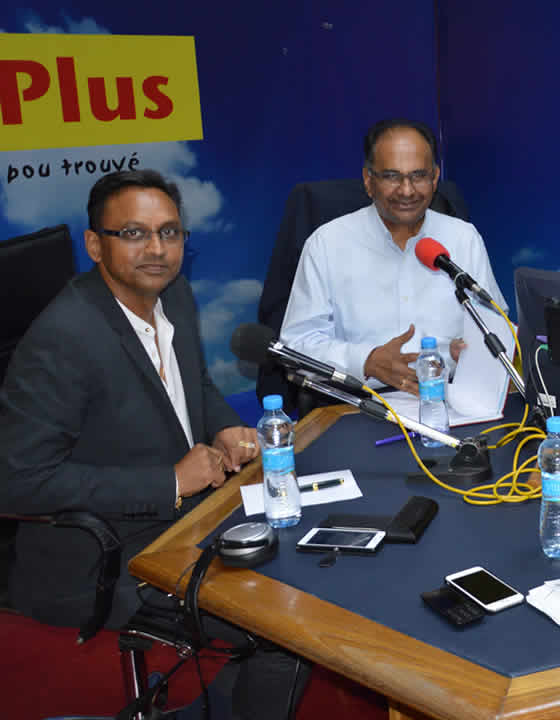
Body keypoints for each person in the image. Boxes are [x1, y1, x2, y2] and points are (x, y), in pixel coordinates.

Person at [0, 170, 305, 718]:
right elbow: (17, 482)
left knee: (309, 568)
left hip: (189, 519)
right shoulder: (63, 340)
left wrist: (221, 430)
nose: (157, 249)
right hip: (108, 555)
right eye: (135, 234)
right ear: (95, 244)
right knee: (288, 624)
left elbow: (199, 386)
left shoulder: (175, 296)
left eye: (170, 233)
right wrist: (170, 482)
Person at [281, 118, 507, 392]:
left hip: (451, 396)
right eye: (391, 176)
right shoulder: (327, 244)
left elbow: (494, 323)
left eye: (418, 175)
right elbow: (296, 346)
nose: (407, 190)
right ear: (368, 180)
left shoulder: (463, 238)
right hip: (360, 404)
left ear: (435, 178)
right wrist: (366, 361)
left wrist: (471, 351)